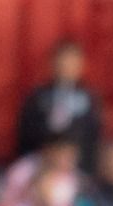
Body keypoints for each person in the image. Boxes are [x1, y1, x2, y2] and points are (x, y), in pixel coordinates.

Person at [14, 39, 100, 167]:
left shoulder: (90, 99)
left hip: (77, 168)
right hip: (40, 166)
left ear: (81, 65)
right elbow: (25, 135)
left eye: (71, 62)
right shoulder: (37, 97)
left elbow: (94, 136)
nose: (66, 66)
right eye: (62, 61)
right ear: (52, 63)